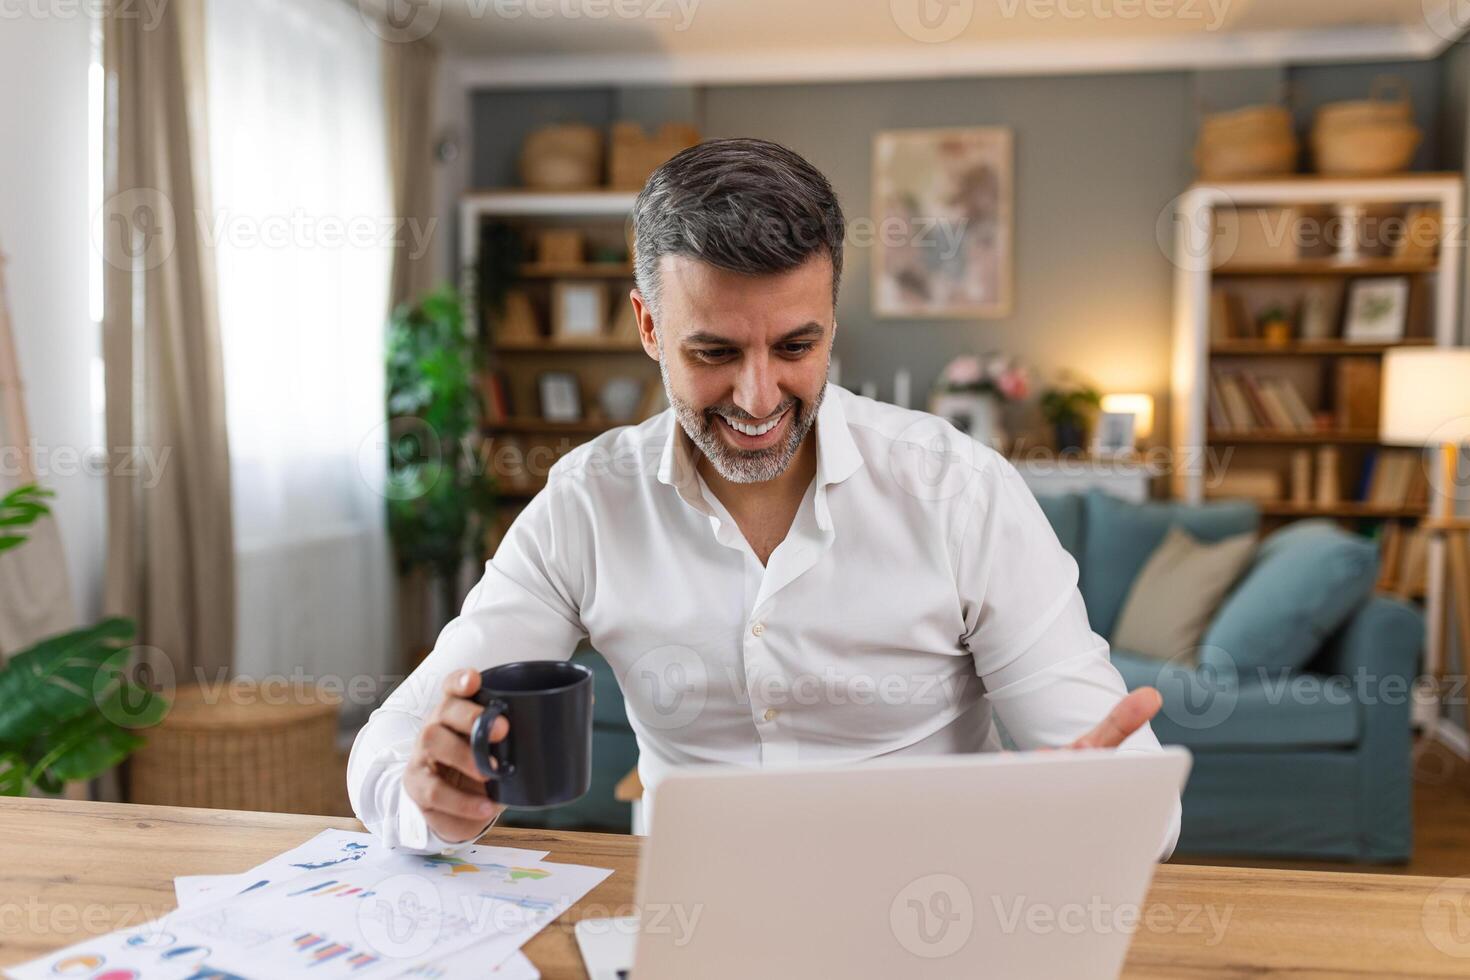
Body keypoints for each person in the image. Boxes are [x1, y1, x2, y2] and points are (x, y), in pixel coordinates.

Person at [347, 137, 1180, 857]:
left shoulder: (960, 493)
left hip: (932, 919)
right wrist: (427, 801)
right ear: (647, 327)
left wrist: (1090, 808)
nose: (757, 398)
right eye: (712, 352)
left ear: (831, 323)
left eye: (795, 346)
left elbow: (1141, 800)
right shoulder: (588, 505)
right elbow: (383, 751)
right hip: (692, 925)